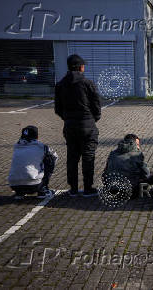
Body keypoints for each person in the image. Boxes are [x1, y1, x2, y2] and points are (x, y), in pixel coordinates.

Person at [55, 54, 101, 197]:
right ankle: (88, 188)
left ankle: (73, 189)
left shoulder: (60, 85)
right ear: (81, 67)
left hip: (70, 126)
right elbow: (96, 106)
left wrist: (68, 118)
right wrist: (93, 119)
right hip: (87, 125)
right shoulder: (88, 83)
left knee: (72, 158)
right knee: (88, 156)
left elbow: (58, 108)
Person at [8, 126, 58, 200]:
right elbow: (55, 157)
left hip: (13, 184)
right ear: (36, 136)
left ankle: (19, 193)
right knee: (50, 159)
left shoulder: (16, 146)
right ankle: (42, 190)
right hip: (34, 185)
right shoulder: (41, 146)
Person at [103, 134, 150, 199]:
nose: (138, 146)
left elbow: (105, 171)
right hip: (130, 191)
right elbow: (146, 173)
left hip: (111, 189)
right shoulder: (137, 154)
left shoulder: (113, 153)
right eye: (138, 144)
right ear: (133, 143)